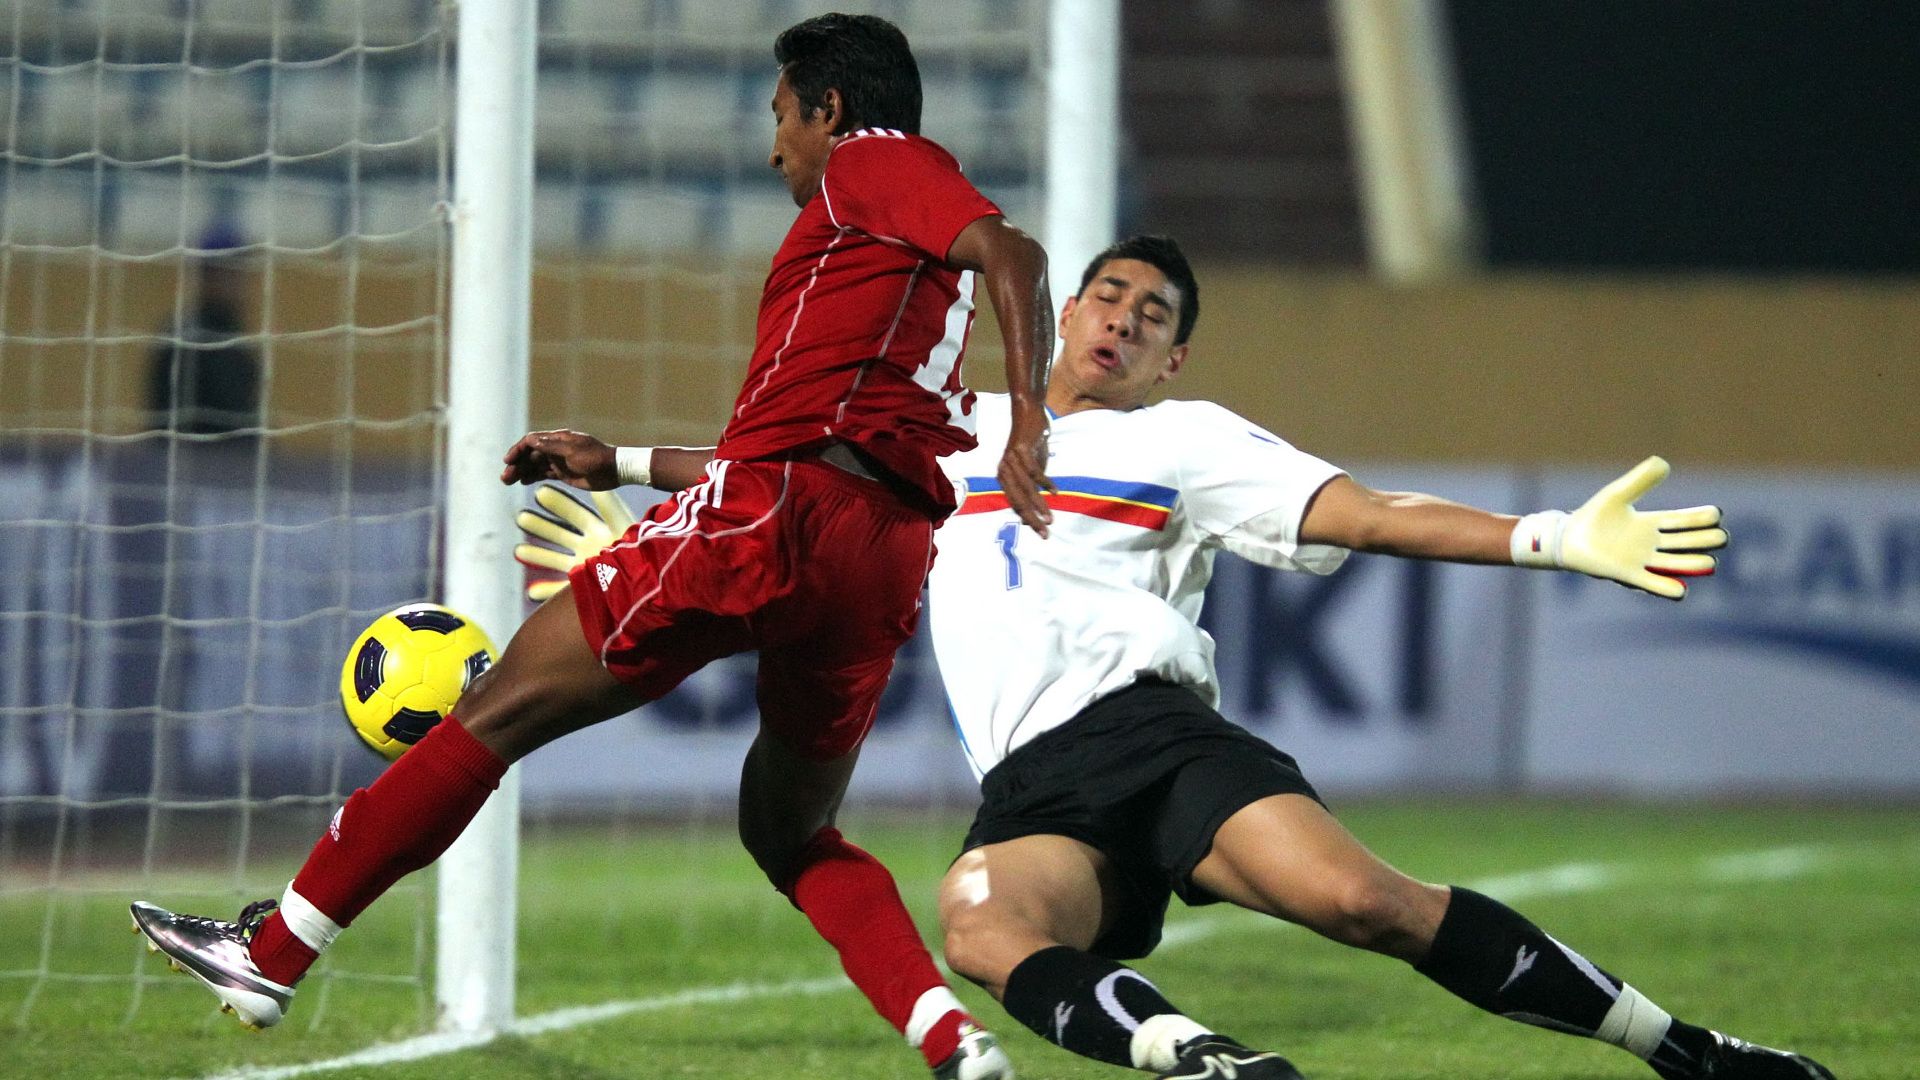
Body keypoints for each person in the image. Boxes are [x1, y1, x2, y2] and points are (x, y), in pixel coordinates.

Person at [131, 15, 1054, 1079]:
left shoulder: (871, 166)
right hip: (876, 552)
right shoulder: (893, 271)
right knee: (790, 830)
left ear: (829, 110)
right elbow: (822, 434)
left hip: (778, 515)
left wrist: (1031, 418)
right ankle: (951, 1036)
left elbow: (1015, 251)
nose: (775, 151)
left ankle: (274, 950)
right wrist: (614, 461)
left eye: (781, 119)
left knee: (496, 710)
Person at [919, 235, 1834, 1080]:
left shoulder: (1180, 439)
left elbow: (1368, 515)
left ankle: (1695, 1055)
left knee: (1369, 904)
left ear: (1173, 360)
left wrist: (1548, 535)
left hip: (1149, 734)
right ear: (1067, 310)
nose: (1123, 318)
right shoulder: (955, 433)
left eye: (1152, 315)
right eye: (1110, 296)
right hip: (1029, 777)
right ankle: (1212, 1063)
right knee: (981, 929)